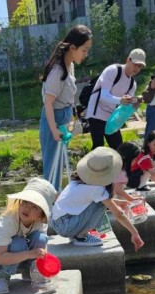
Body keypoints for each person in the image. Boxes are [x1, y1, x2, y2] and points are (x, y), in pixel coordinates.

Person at [50, 147, 144, 251]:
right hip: (66, 226)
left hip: (57, 221)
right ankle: (80, 237)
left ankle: (76, 234)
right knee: (101, 204)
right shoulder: (98, 189)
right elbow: (119, 214)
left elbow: (83, 200)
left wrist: (118, 202)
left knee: (102, 201)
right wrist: (135, 233)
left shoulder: (78, 180)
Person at [0, 178, 57, 294]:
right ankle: (3, 276)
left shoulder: (40, 223)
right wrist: (30, 254)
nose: (27, 208)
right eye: (25, 202)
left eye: (35, 207)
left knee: (41, 238)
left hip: (21, 251)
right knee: (18, 243)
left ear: (40, 215)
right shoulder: (7, 222)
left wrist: (42, 264)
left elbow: (42, 246)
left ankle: (29, 270)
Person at [40, 25, 93, 188]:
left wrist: (70, 118)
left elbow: (68, 97)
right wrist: (54, 129)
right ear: (72, 47)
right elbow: (48, 103)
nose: (86, 54)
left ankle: (55, 200)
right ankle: (48, 204)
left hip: (63, 118)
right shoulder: (58, 71)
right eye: (84, 50)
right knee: (52, 166)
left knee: (61, 162)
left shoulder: (70, 66)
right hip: (53, 120)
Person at [85, 48, 146, 151]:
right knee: (98, 146)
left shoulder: (132, 84)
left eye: (140, 66)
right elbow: (103, 95)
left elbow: (126, 106)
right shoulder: (113, 70)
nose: (136, 68)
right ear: (128, 60)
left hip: (111, 116)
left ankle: (118, 167)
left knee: (118, 147)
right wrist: (120, 100)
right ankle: (90, 166)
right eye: (135, 64)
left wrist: (136, 103)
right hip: (96, 112)